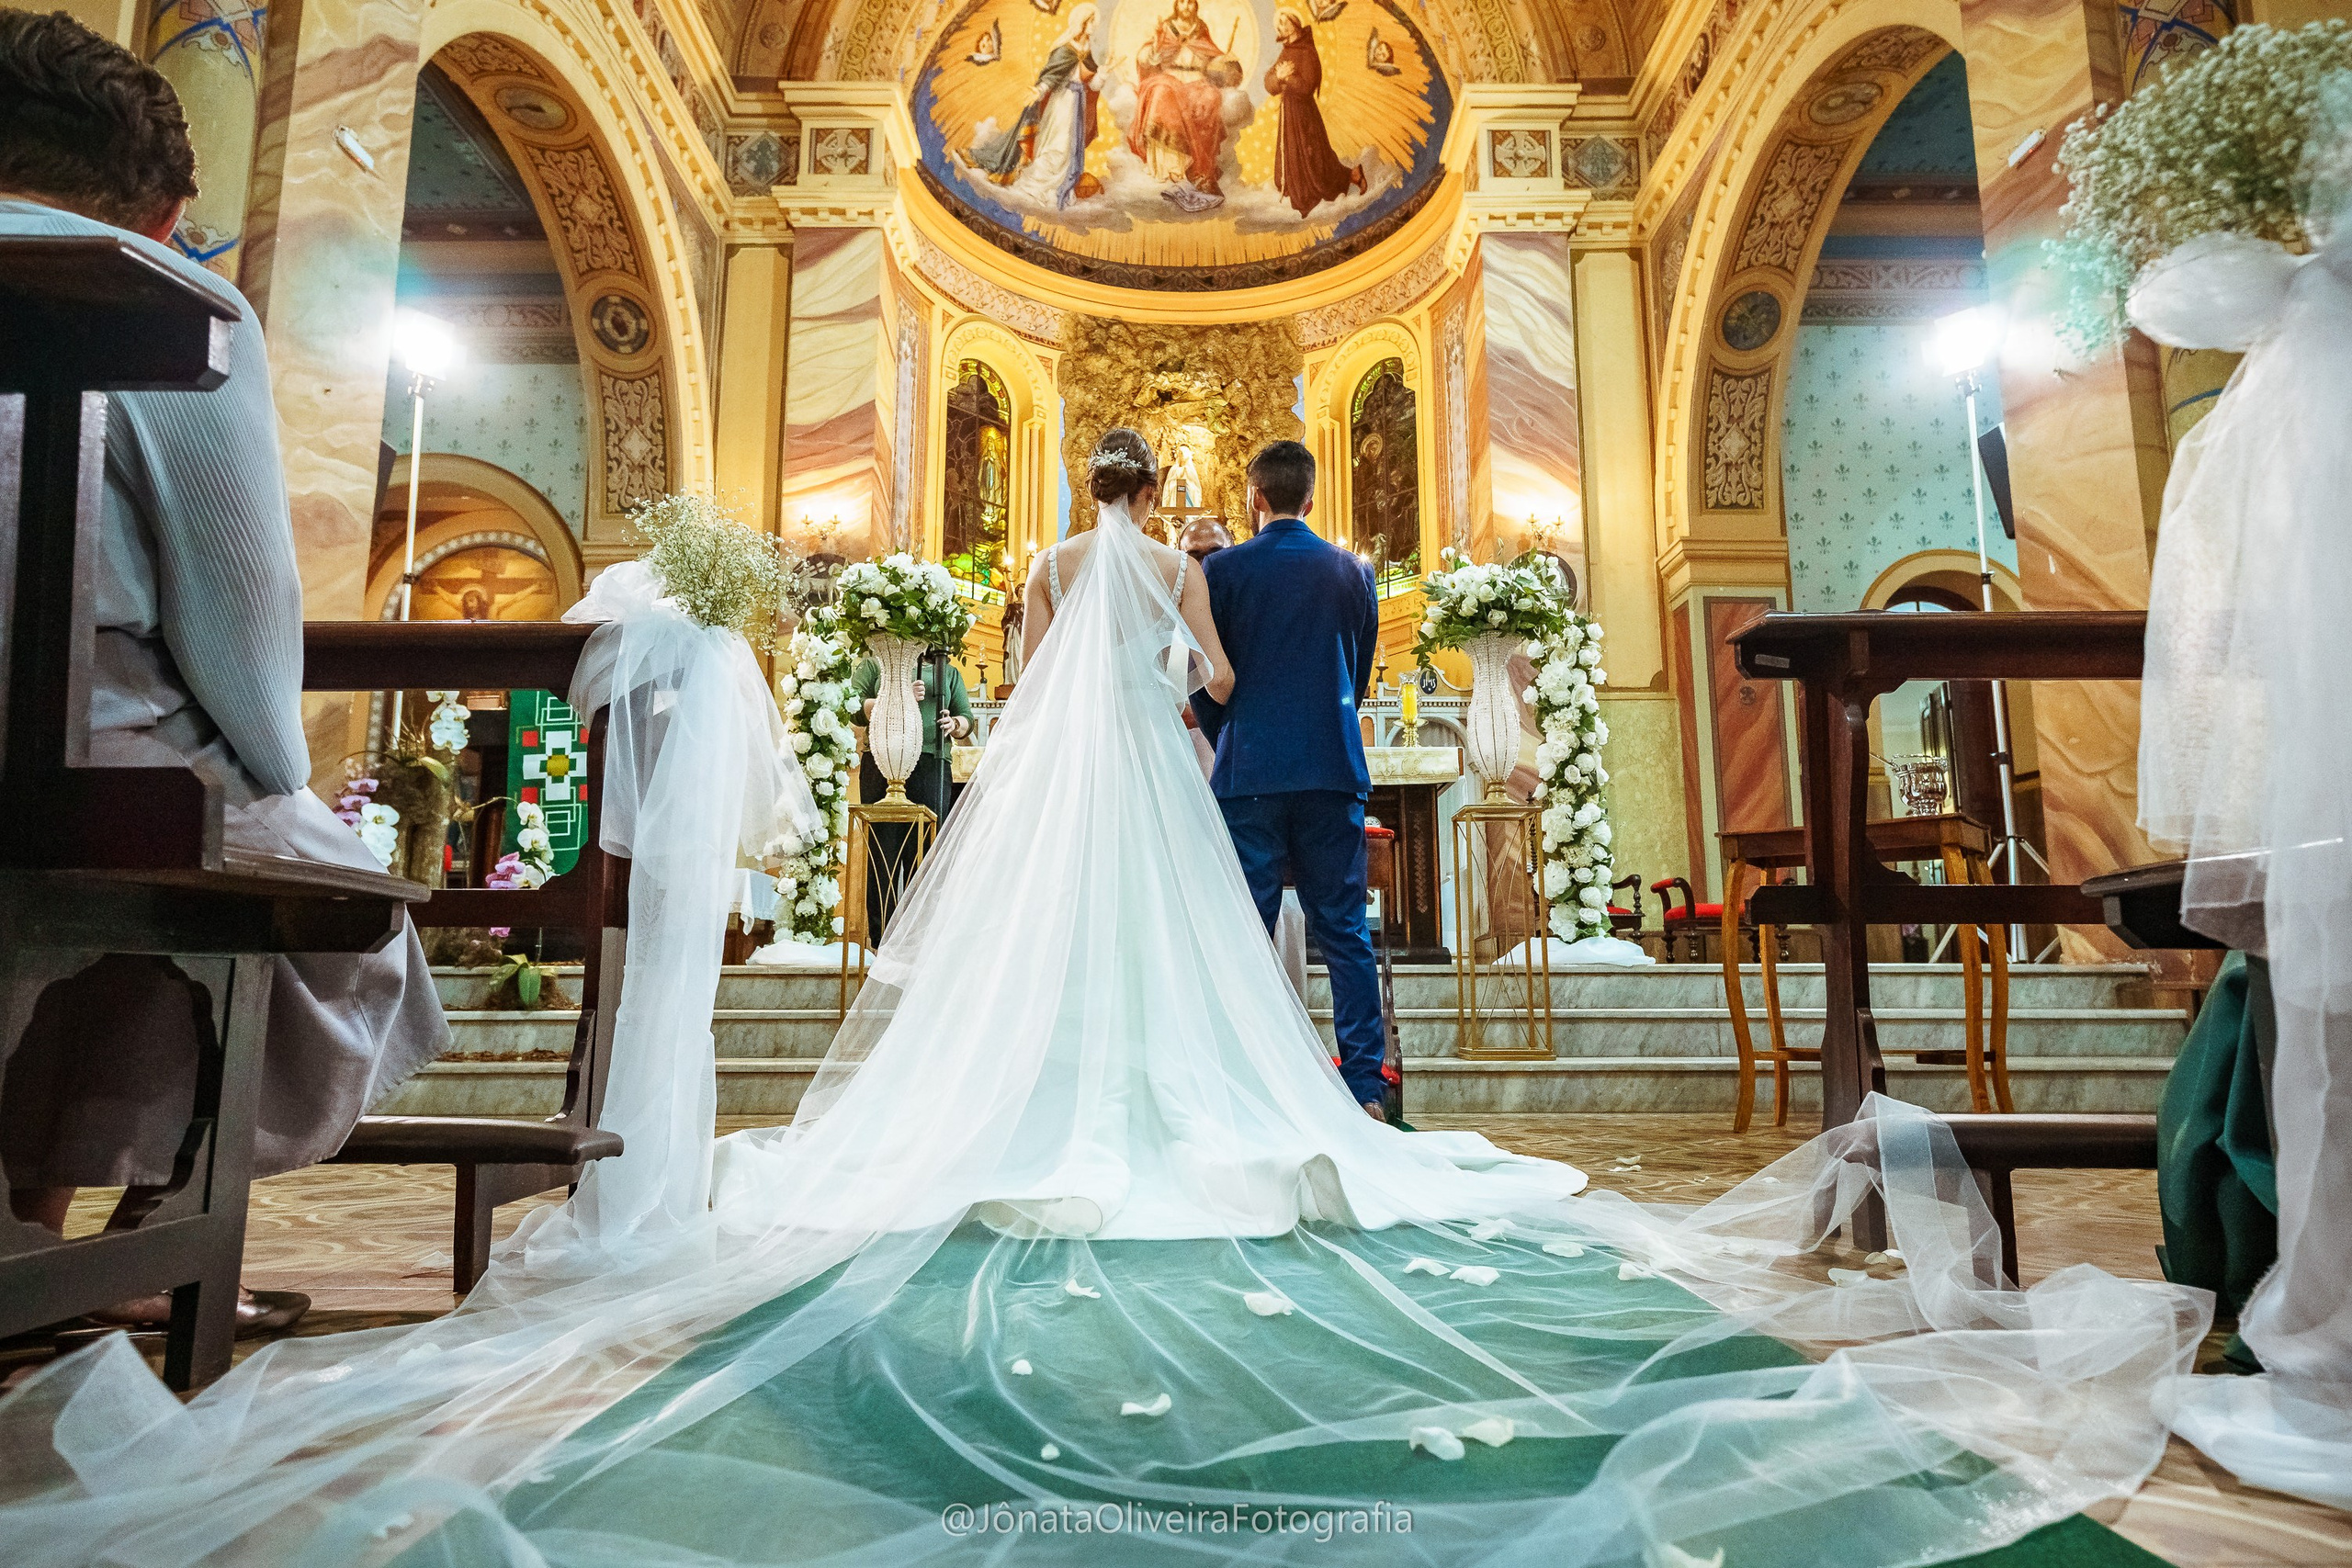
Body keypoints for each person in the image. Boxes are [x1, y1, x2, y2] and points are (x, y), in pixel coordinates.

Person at [0, 423, 2204, 1568]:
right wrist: (1195, 676)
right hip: (1199, 773)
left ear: (1090, 500)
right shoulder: (1194, 567)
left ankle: (1039, 1097)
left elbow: (983, 670)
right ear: (1180, 500)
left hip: (1081, 786)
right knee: (1239, 971)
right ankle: (1269, 1093)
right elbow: (1211, 676)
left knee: (1052, 956)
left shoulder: (1053, 558)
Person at [0, 12, 448, 1334]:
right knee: (324, 906)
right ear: (165, 203)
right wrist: (284, 784)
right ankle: (150, 1226)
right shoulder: (163, 290)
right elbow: (241, 621)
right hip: (71, 754)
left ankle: (26, 1213)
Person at [1187, 441, 1387, 1117]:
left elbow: (1215, 677)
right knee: (1345, 931)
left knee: (1245, 929)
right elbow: (1356, 677)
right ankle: (1364, 1088)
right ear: (1311, 498)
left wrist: (1226, 736)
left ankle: (1241, 1084)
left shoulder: (1224, 570)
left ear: (1254, 497)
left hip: (1249, 775)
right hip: (1331, 769)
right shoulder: (1350, 570)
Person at [850, 648, 973, 936]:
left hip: (931, 761)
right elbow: (852, 706)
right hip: (882, 759)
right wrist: (894, 697)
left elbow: (965, 717)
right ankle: (882, 936)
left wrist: (954, 724)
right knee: (883, 850)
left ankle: (921, 936)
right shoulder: (874, 663)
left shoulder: (948, 670)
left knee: (928, 852)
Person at [969, 4, 1100, 209]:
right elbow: (1051, 75)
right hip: (1062, 103)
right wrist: (1039, 90)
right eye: (1090, 21)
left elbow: (1090, 81)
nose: (1094, 25)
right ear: (1081, 24)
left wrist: (1104, 73)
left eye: (1094, 21)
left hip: (1077, 105)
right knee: (1058, 145)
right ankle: (1034, 186)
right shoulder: (1066, 49)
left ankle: (1055, 188)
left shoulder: (1088, 50)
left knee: (1068, 149)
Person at [1126, 0, 1233, 194]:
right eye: (1182, 2)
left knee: (1211, 97)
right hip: (1168, 77)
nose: (1186, 7)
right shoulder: (1166, 28)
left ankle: (1199, 169)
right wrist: (1155, 49)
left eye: (1190, 2)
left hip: (1197, 80)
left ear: (1196, 5)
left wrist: (1222, 61)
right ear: (1176, 5)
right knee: (1161, 93)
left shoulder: (1200, 29)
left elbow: (1212, 55)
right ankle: (1169, 170)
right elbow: (1144, 57)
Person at [1264, 11, 1364, 217]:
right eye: (1278, 25)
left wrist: (1287, 78)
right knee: (1294, 154)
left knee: (1315, 157)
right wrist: (1278, 77)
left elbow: (1307, 87)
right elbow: (1269, 83)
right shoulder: (1287, 51)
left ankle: (1350, 176)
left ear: (1294, 23)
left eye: (1284, 22)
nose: (1281, 27)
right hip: (1290, 112)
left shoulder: (1307, 51)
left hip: (1304, 114)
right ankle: (1305, 194)